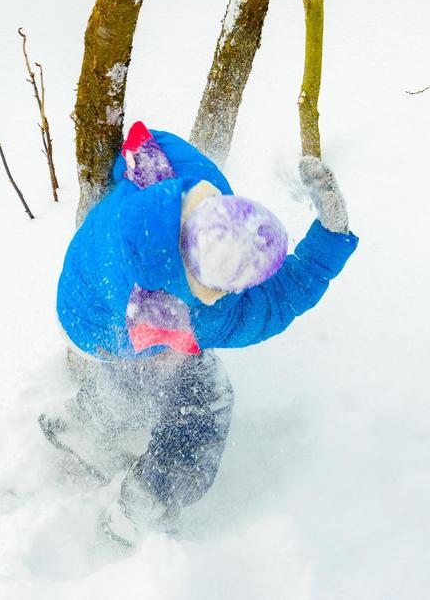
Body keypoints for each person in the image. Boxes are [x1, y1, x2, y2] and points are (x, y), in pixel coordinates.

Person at [41, 121, 359, 545]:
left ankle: (86, 421)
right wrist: (330, 240)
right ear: (217, 290)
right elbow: (279, 301)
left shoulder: (173, 172)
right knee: (200, 392)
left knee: (159, 362)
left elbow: (141, 138)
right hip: (101, 329)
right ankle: (144, 503)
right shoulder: (182, 314)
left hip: (78, 287)